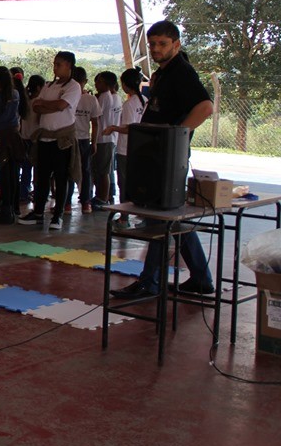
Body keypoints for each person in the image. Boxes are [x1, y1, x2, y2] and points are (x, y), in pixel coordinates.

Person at [111, 21, 215, 299]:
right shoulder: (164, 73)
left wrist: (177, 138)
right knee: (170, 219)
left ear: (176, 45)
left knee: (157, 219)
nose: (156, 49)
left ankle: (150, 281)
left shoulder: (181, 71)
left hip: (167, 157)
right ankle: (201, 278)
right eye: (152, 44)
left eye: (162, 44)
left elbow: (205, 107)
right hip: (155, 154)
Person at [19, 51, 82, 230]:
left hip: (62, 139)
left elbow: (62, 105)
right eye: (54, 64)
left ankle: (58, 215)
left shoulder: (73, 87)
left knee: (61, 177)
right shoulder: (48, 85)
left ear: (69, 66)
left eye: (59, 64)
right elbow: (36, 106)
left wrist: (48, 105)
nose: (55, 68)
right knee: (42, 177)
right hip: (45, 138)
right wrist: (50, 106)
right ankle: (38, 212)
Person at [102, 67, 146, 227]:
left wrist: (113, 128)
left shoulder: (129, 104)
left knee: (124, 184)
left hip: (126, 149)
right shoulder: (145, 102)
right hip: (141, 148)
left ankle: (124, 218)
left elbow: (128, 127)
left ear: (126, 85)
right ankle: (144, 216)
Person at [0, 66, 25, 224]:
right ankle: (14, 207)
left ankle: (6, 210)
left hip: (2, 136)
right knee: (14, 173)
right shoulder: (15, 93)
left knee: (4, 174)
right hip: (14, 135)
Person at [65, 67, 101, 214]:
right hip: (85, 139)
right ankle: (86, 203)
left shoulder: (67, 96)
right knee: (85, 171)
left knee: (67, 171)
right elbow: (95, 122)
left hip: (68, 138)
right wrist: (95, 141)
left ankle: (66, 204)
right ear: (85, 81)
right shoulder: (91, 99)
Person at [92, 71, 122, 208]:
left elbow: (96, 115)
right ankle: (103, 196)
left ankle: (102, 198)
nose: (96, 85)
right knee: (102, 170)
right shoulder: (111, 96)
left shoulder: (104, 97)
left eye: (99, 82)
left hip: (103, 138)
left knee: (103, 171)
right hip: (107, 138)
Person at [18, 74, 45, 205]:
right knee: (38, 169)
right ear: (39, 87)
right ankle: (38, 192)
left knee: (26, 168)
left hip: (24, 137)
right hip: (35, 138)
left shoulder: (25, 101)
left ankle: (24, 193)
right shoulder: (39, 102)